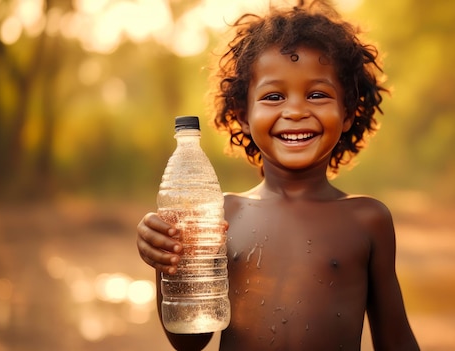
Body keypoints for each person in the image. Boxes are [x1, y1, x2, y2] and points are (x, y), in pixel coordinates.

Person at [137, 0, 420, 350]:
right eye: (273, 96)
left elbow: (395, 340)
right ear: (243, 114)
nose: (296, 111)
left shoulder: (367, 220)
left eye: (317, 94)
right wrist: (167, 262)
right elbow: (190, 342)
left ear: (347, 114)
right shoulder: (220, 216)